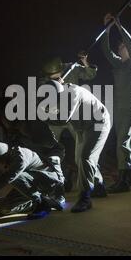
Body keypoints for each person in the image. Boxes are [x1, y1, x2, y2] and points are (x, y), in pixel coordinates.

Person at [42, 80, 111, 213]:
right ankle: (99, 186)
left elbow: (63, 119)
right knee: (79, 158)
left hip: (98, 123)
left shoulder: (73, 93)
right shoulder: (56, 94)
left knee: (86, 157)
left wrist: (43, 115)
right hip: (82, 127)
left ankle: (85, 198)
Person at [41, 53, 98, 192]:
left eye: (56, 75)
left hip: (73, 115)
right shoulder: (44, 79)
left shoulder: (72, 68)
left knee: (85, 147)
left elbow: (90, 75)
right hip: (55, 118)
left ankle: (94, 179)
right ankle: (59, 178)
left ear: (61, 68)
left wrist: (85, 62)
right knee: (49, 147)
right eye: (51, 77)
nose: (54, 77)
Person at [101, 13, 131, 193]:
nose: (120, 48)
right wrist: (107, 29)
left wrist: (118, 25)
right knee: (129, 140)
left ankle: (123, 181)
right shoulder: (119, 64)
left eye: (123, 46)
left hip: (129, 107)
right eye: (119, 46)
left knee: (123, 142)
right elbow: (105, 50)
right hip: (119, 108)